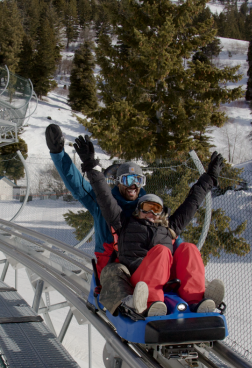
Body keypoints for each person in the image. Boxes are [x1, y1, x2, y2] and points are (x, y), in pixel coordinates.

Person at [73, 135, 226, 317]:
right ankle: (152, 304)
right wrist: (90, 165)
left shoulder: (168, 229)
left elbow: (191, 204)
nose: (151, 213)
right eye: (147, 207)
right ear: (138, 209)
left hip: (166, 277)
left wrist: (210, 178)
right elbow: (105, 197)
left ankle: (196, 300)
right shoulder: (124, 224)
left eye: (156, 209)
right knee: (161, 252)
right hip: (138, 277)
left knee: (189, 248)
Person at [45, 123, 143, 275]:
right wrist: (58, 154)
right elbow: (78, 186)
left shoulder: (148, 207)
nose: (133, 185)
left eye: (137, 180)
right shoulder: (103, 202)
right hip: (109, 267)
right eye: (127, 180)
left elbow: (167, 233)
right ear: (118, 182)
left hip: (141, 267)